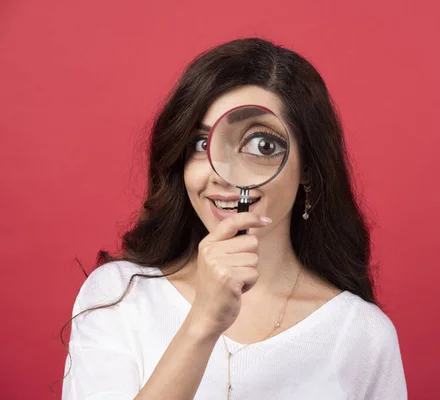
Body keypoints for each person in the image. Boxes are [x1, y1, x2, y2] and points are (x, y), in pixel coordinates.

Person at [62, 37, 407, 400]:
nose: (222, 174)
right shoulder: (119, 295)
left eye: (262, 144)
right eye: (200, 144)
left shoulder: (363, 336)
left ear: (308, 167)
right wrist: (202, 323)